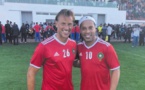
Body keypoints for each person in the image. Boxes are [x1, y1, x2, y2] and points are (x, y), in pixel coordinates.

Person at [27, 9, 76, 90]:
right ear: (56, 24)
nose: (67, 27)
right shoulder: (44, 46)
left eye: (70, 24)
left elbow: (70, 61)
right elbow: (31, 72)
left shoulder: (73, 44)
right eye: (63, 23)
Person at [75, 16, 120, 90]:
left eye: (90, 28)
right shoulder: (79, 47)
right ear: (80, 30)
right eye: (84, 28)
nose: (87, 31)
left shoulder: (106, 47)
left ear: (95, 29)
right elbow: (80, 62)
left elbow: (116, 70)